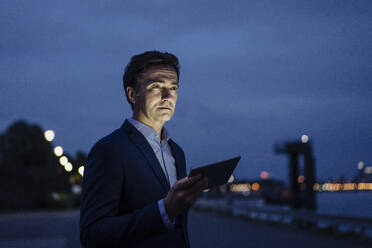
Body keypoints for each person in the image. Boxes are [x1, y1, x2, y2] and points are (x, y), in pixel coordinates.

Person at [80, 51, 208, 248]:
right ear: (132, 94)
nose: (168, 96)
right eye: (156, 87)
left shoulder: (177, 152)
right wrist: (164, 210)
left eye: (173, 88)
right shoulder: (109, 150)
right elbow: (93, 235)